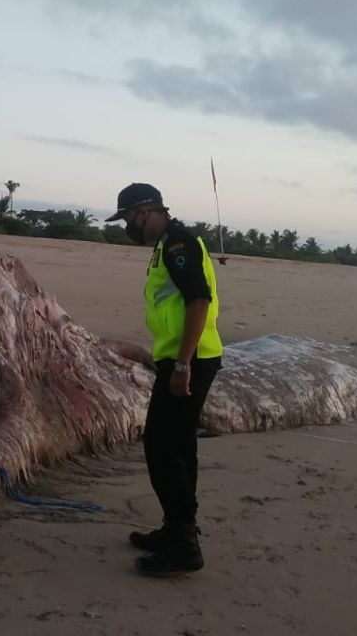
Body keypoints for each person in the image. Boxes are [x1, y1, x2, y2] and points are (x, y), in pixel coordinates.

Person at [105, 182, 222, 576]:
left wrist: (183, 365)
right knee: (177, 445)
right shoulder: (167, 247)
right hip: (183, 357)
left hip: (189, 360)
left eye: (129, 219)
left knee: (163, 447)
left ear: (146, 210)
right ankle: (176, 530)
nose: (129, 228)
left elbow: (198, 300)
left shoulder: (178, 245)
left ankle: (184, 543)